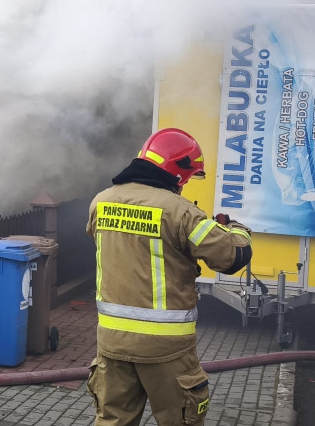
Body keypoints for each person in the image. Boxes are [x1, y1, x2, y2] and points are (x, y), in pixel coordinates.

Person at [85, 127, 253, 426]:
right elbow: (231, 258)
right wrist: (237, 230)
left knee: (112, 421)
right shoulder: (180, 212)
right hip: (166, 349)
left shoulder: (101, 201)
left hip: (112, 344)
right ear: (179, 172)